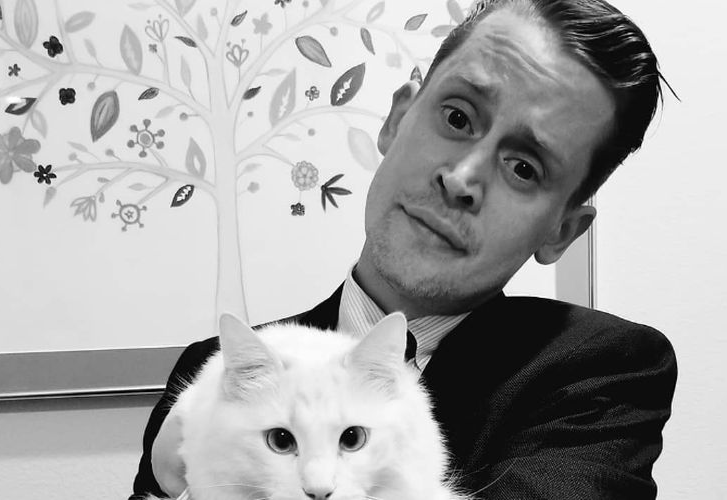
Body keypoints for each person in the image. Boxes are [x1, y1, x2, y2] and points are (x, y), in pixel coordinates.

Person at [130, 0, 677, 498]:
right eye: (457, 117)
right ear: (397, 119)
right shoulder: (209, 374)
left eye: (523, 168)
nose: (460, 179)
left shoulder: (606, 374)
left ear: (561, 232)